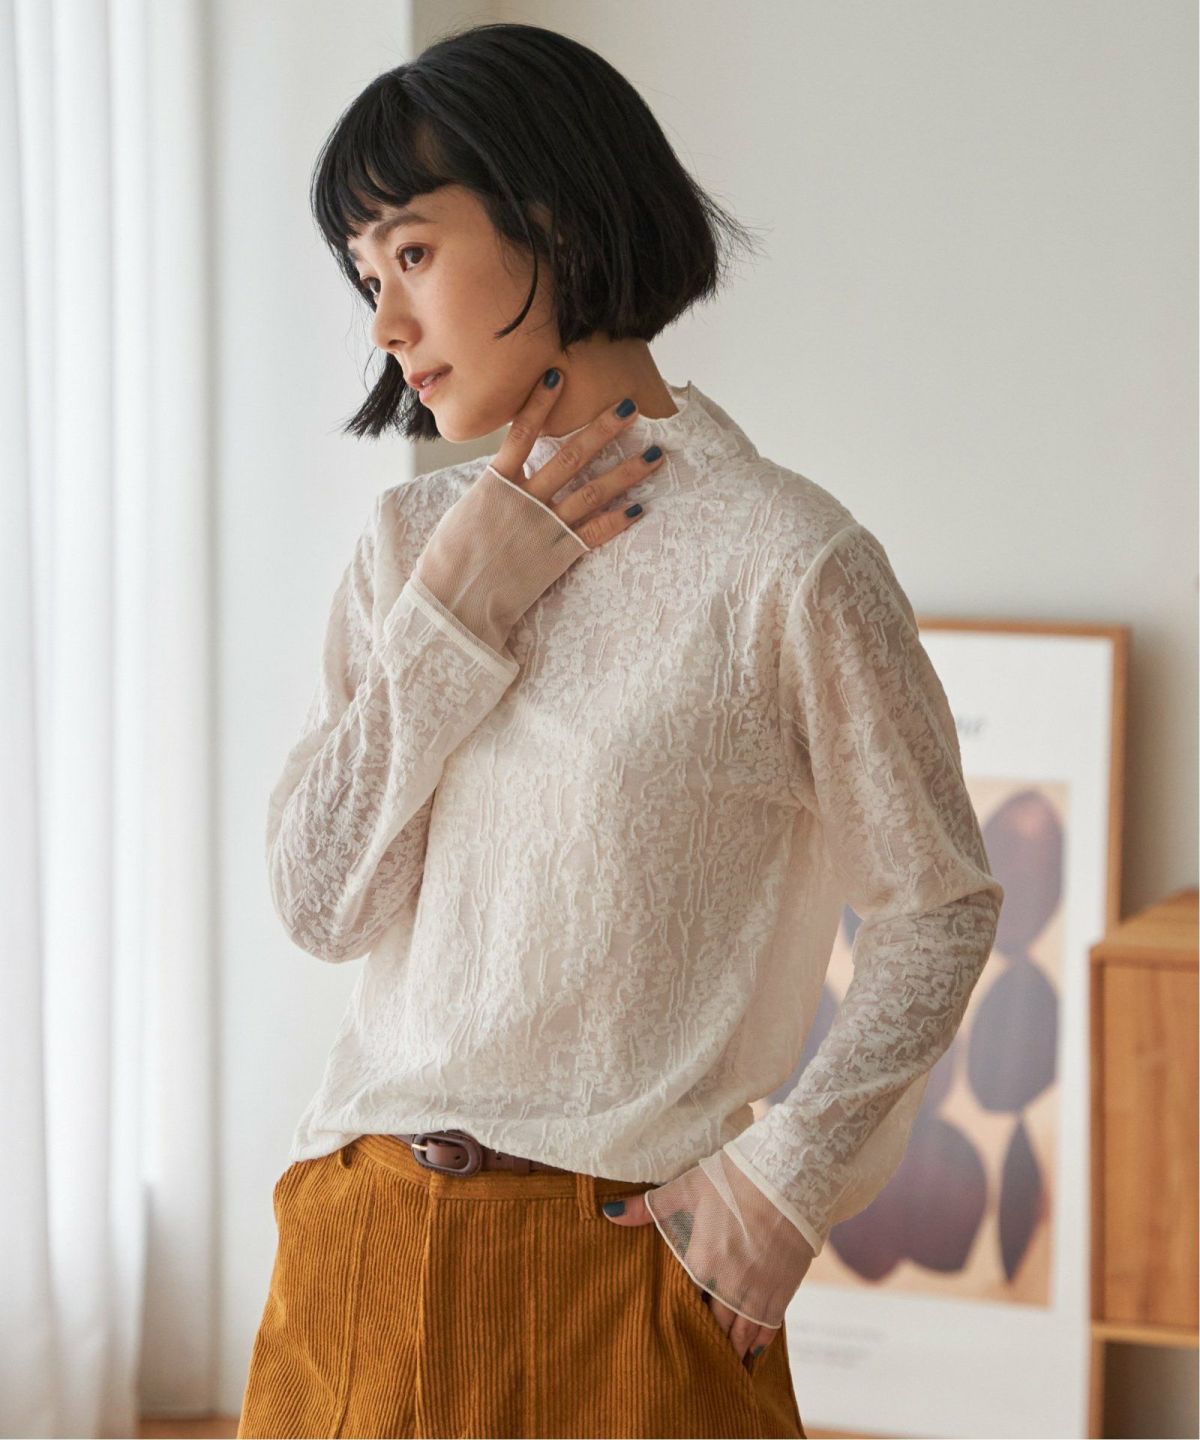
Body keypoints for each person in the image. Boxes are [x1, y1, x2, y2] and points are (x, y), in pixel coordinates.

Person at [236, 20, 1004, 1440]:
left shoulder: (787, 559)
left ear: (557, 221)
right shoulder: (408, 549)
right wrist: (451, 617)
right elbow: (319, 901)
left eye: (413, 253)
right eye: (365, 277)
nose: (385, 324)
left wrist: (785, 1188)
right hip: (362, 1255)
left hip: (622, 1273)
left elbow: (939, 908)